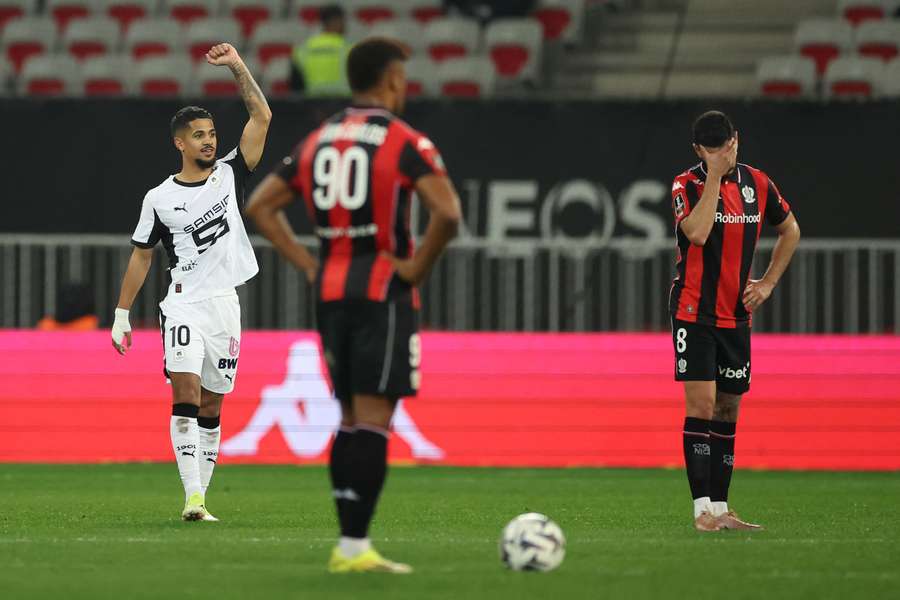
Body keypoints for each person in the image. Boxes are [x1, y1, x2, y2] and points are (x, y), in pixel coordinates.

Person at [246, 38, 461, 573]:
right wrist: (414, 269)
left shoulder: (319, 138)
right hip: (381, 288)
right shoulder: (403, 140)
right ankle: (354, 547)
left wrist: (307, 263)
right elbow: (449, 213)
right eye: (403, 78)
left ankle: (348, 544)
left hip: (331, 289)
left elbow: (261, 206)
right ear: (390, 80)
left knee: (346, 417)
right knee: (373, 418)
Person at [110, 43, 271, 522]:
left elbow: (261, 117)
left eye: (212, 134)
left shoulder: (229, 175)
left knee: (212, 403)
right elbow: (142, 257)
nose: (208, 141)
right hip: (182, 304)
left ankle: (203, 494)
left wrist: (239, 66)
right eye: (198, 135)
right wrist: (121, 313)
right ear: (179, 142)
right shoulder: (158, 198)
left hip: (224, 304)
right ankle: (192, 498)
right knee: (184, 391)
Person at [670, 111, 800, 531]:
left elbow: (791, 229)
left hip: (735, 314)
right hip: (694, 311)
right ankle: (701, 511)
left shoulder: (758, 184)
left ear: (736, 139)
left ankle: (723, 509)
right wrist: (713, 176)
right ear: (698, 151)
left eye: (725, 144)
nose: (722, 153)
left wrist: (767, 283)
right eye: (711, 148)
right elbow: (698, 233)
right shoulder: (685, 184)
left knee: (728, 409)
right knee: (702, 405)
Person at [290, 4, 351, 96]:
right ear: (337, 21)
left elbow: (295, 86)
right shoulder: (348, 48)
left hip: (311, 105)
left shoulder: (303, 49)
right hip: (341, 103)